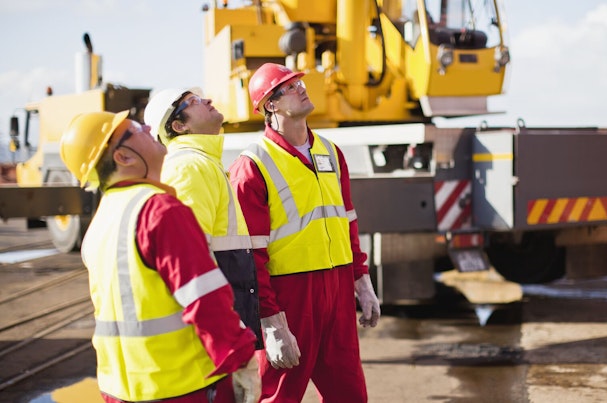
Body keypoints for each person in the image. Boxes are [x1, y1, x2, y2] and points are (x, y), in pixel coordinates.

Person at [59, 111, 260, 403]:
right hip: (183, 386)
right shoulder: (158, 211)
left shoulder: (101, 221)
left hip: (120, 389)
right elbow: (205, 298)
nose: (150, 127)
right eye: (137, 128)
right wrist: (241, 359)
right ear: (123, 157)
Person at [228, 63, 381, 403]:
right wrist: (269, 318)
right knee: (279, 398)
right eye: (289, 86)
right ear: (271, 104)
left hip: (338, 290)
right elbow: (249, 253)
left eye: (299, 81)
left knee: (351, 396)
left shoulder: (330, 151)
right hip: (289, 297)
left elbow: (347, 220)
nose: (301, 88)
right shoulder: (252, 165)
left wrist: (361, 279)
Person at [144, 88, 262, 349]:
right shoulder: (189, 167)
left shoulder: (203, 163)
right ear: (178, 125)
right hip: (215, 332)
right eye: (193, 101)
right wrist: (228, 331)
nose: (207, 100)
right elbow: (192, 261)